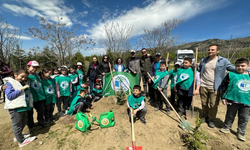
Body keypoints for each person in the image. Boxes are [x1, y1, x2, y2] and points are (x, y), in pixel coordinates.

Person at [197, 44, 236, 128]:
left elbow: (234, 68)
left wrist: (247, 70)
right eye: (209, 50)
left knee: (213, 105)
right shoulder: (204, 60)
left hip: (216, 86)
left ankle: (211, 120)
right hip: (203, 85)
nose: (210, 51)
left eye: (212, 50)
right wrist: (195, 66)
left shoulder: (223, 61)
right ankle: (204, 116)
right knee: (204, 103)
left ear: (217, 51)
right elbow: (198, 70)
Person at [219, 58, 250, 142]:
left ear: (248, 66)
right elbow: (224, 86)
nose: (240, 67)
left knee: (244, 118)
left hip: (246, 102)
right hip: (232, 100)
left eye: (242, 66)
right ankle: (226, 127)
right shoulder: (231, 74)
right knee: (230, 115)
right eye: (237, 66)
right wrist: (223, 97)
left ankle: (241, 133)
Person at [3, 69, 36, 147]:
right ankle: (20, 141)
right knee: (17, 124)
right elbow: (10, 96)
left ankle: (19, 136)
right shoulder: (10, 83)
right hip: (15, 107)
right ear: (15, 74)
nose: (24, 78)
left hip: (23, 106)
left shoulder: (21, 83)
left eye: (25, 77)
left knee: (24, 121)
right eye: (22, 76)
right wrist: (21, 89)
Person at [26, 60, 46, 129]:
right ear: (28, 67)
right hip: (30, 98)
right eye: (33, 67)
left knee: (41, 110)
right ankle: (31, 125)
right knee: (30, 113)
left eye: (36, 68)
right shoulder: (25, 76)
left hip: (39, 97)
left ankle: (41, 123)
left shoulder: (37, 75)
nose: (35, 69)